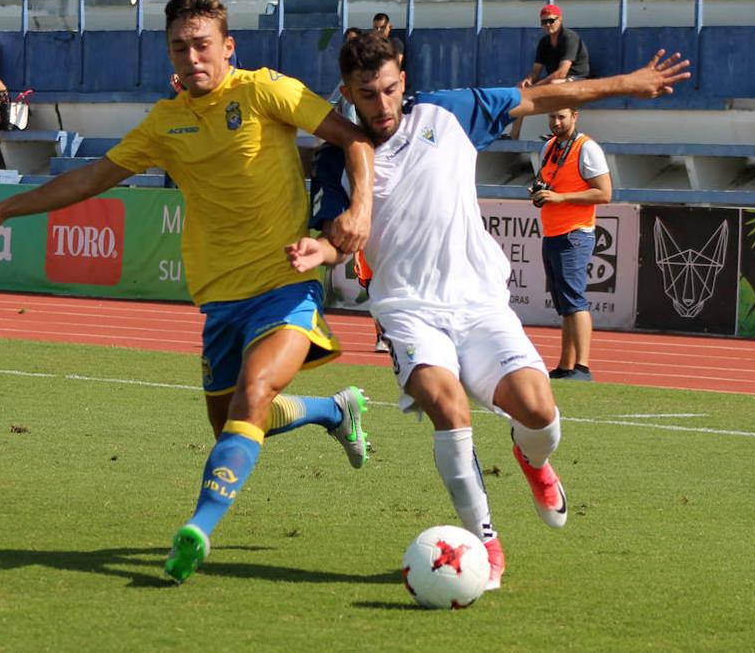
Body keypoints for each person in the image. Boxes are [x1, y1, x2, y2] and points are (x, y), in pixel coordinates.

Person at [0, 0, 377, 584]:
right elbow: (92, 178)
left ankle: (198, 529)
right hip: (220, 300)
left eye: (203, 45)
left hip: (287, 281)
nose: (192, 57)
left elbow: (354, 139)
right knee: (236, 418)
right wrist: (7, 209)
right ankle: (335, 412)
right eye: (180, 47)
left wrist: (359, 209)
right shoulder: (165, 122)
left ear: (228, 47)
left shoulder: (264, 91)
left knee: (253, 393)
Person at [287, 33, 689, 590]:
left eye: (389, 90)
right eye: (367, 95)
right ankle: (485, 543)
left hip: (479, 303)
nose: (381, 106)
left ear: (402, 78)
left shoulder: (448, 114)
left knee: (540, 413)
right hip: (408, 311)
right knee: (449, 410)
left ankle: (533, 460)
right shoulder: (337, 158)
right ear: (348, 92)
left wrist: (630, 83)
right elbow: (340, 237)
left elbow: (539, 99)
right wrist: (321, 250)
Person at [531, 107, 610, 380]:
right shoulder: (549, 147)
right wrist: (541, 194)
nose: (555, 121)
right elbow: (551, 183)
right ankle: (566, 365)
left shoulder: (587, 148)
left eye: (561, 116)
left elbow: (604, 193)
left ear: (575, 116)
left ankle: (583, 367)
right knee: (564, 303)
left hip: (575, 233)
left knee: (575, 301)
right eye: (551, 116)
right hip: (553, 231)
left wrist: (560, 198)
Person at [509, 4, 589, 139]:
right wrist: (527, 81)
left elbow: (562, 72)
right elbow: (535, 71)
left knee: (556, 83)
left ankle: (559, 133)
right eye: (544, 22)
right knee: (520, 90)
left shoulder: (569, 38)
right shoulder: (544, 42)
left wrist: (537, 86)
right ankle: (513, 135)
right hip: (555, 80)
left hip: (578, 79)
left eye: (551, 20)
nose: (547, 24)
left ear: (560, 19)